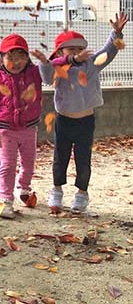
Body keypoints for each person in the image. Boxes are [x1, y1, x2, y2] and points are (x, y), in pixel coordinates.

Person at [40, 13, 128, 214]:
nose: (78, 52)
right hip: (63, 121)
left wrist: (116, 33)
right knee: (60, 157)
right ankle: (56, 190)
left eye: (80, 49)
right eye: (71, 49)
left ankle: (82, 193)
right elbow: (45, 76)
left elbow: (109, 50)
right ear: (61, 52)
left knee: (83, 159)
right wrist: (57, 61)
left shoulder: (92, 64)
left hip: (86, 121)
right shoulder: (59, 68)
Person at [0, 34, 46, 219]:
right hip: (5, 130)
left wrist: (45, 61)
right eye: (11, 57)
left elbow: (53, 70)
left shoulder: (35, 73)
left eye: (21, 56)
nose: (16, 62)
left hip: (29, 129)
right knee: (8, 165)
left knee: (29, 163)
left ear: (27, 58)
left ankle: (23, 189)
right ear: (1, 58)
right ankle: (6, 200)